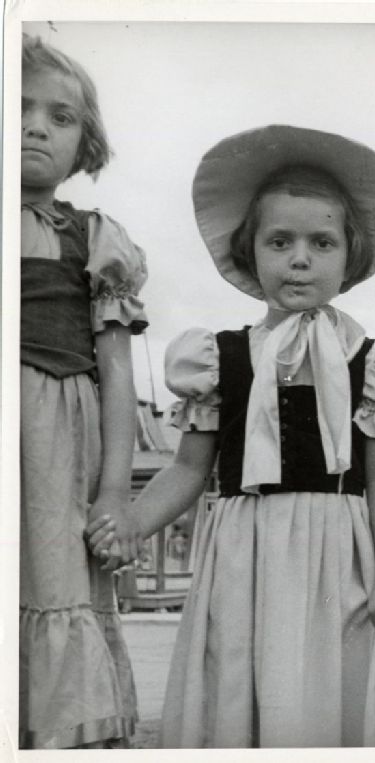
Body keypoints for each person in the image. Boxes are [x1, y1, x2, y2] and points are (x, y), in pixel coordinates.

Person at [88, 125, 375, 747]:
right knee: (239, 689)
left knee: (323, 698)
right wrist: (132, 521)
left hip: (336, 556)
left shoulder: (371, 364)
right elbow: (188, 469)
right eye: (280, 241)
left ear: (349, 256)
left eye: (322, 242)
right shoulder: (220, 358)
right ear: (250, 251)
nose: (300, 258)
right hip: (245, 554)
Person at [19, 33, 145, 749]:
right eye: (18, 107)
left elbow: (117, 372)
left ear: (84, 142)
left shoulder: (93, 238)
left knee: (53, 586)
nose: (36, 126)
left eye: (60, 116)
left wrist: (114, 492)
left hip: (52, 450)